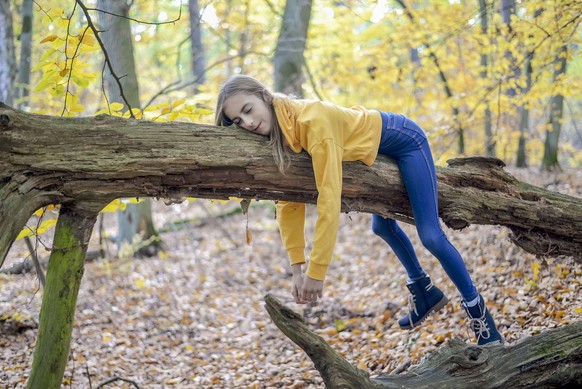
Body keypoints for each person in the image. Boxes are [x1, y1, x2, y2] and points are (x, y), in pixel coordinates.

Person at [215, 74, 503, 346]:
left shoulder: (313, 121)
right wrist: (296, 266)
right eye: (239, 120)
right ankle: (425, 292)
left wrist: (317, 271)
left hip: (405, 142)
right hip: (378, 151)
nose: (249, 122)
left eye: (249, 109)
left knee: (430, 236)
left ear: (265, 95)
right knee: (381, 227)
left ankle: (480, 316)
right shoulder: (283, 131)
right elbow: (289, 201)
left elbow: (329, 197)